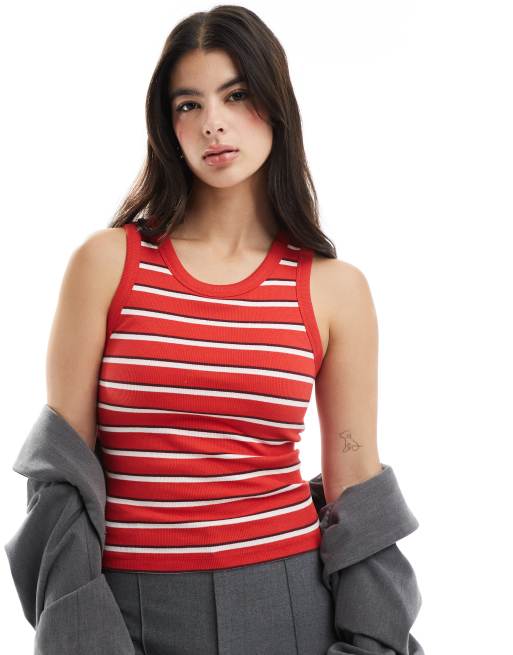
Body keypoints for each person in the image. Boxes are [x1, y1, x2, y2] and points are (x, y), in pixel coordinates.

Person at [39, 5, 421, 654]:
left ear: (276, 103)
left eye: (236, 94)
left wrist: (368, 641)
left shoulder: (334, 289)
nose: (212, 122)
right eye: (188, 104)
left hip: (287, 602)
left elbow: (355, 481)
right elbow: (63, 477)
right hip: (129, 603)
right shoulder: (106, 264)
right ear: (167, 125)